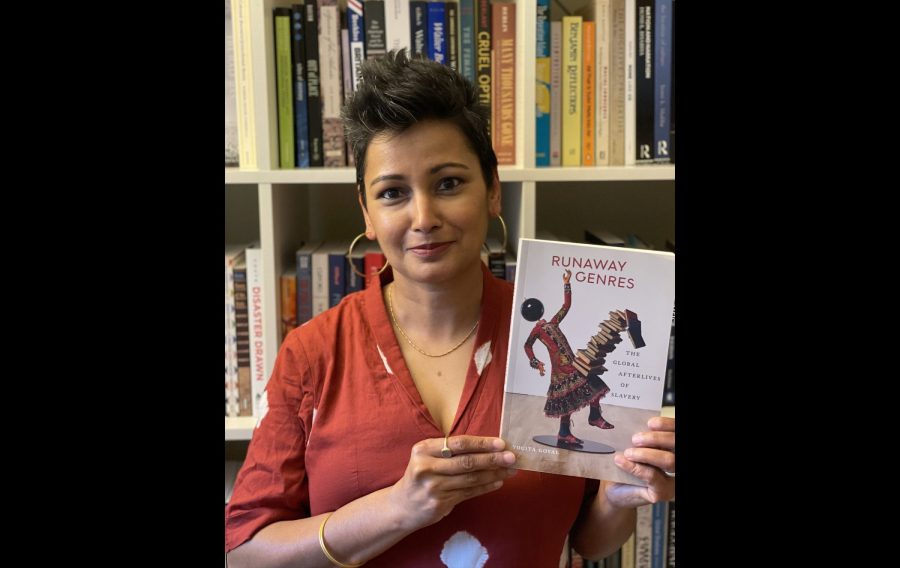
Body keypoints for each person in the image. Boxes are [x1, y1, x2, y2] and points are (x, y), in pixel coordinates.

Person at [224, 50, 675, 568]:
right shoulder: (315, 352)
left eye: (448, 183)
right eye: (393, 193)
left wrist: (619, 499)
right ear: (367, 213)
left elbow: (591, 542)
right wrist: (397, 509)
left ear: (492, 191)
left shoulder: (533, 325)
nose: (424, 217)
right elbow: (244, 553)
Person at [522, 269, 615, 449]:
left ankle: (592, 417)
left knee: (591, 383)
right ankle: (566, 432)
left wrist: (567, 283)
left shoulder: (553, 322)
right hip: (560, 370)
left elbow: (566, 306)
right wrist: (536, 362)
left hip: (572, 363)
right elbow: (527, 346)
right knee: (567, 401)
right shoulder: (536, 331)